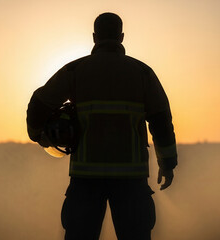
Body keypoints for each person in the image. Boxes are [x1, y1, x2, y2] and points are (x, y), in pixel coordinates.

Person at [26, 12, 177, 240]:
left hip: (86, 180)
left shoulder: (75, 70)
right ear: (122, 37)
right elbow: (161, 121)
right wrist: (168, 164)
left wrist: (38, 134)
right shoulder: (143, 72)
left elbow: (39, 103)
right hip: (131, 181)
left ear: (95, 37)